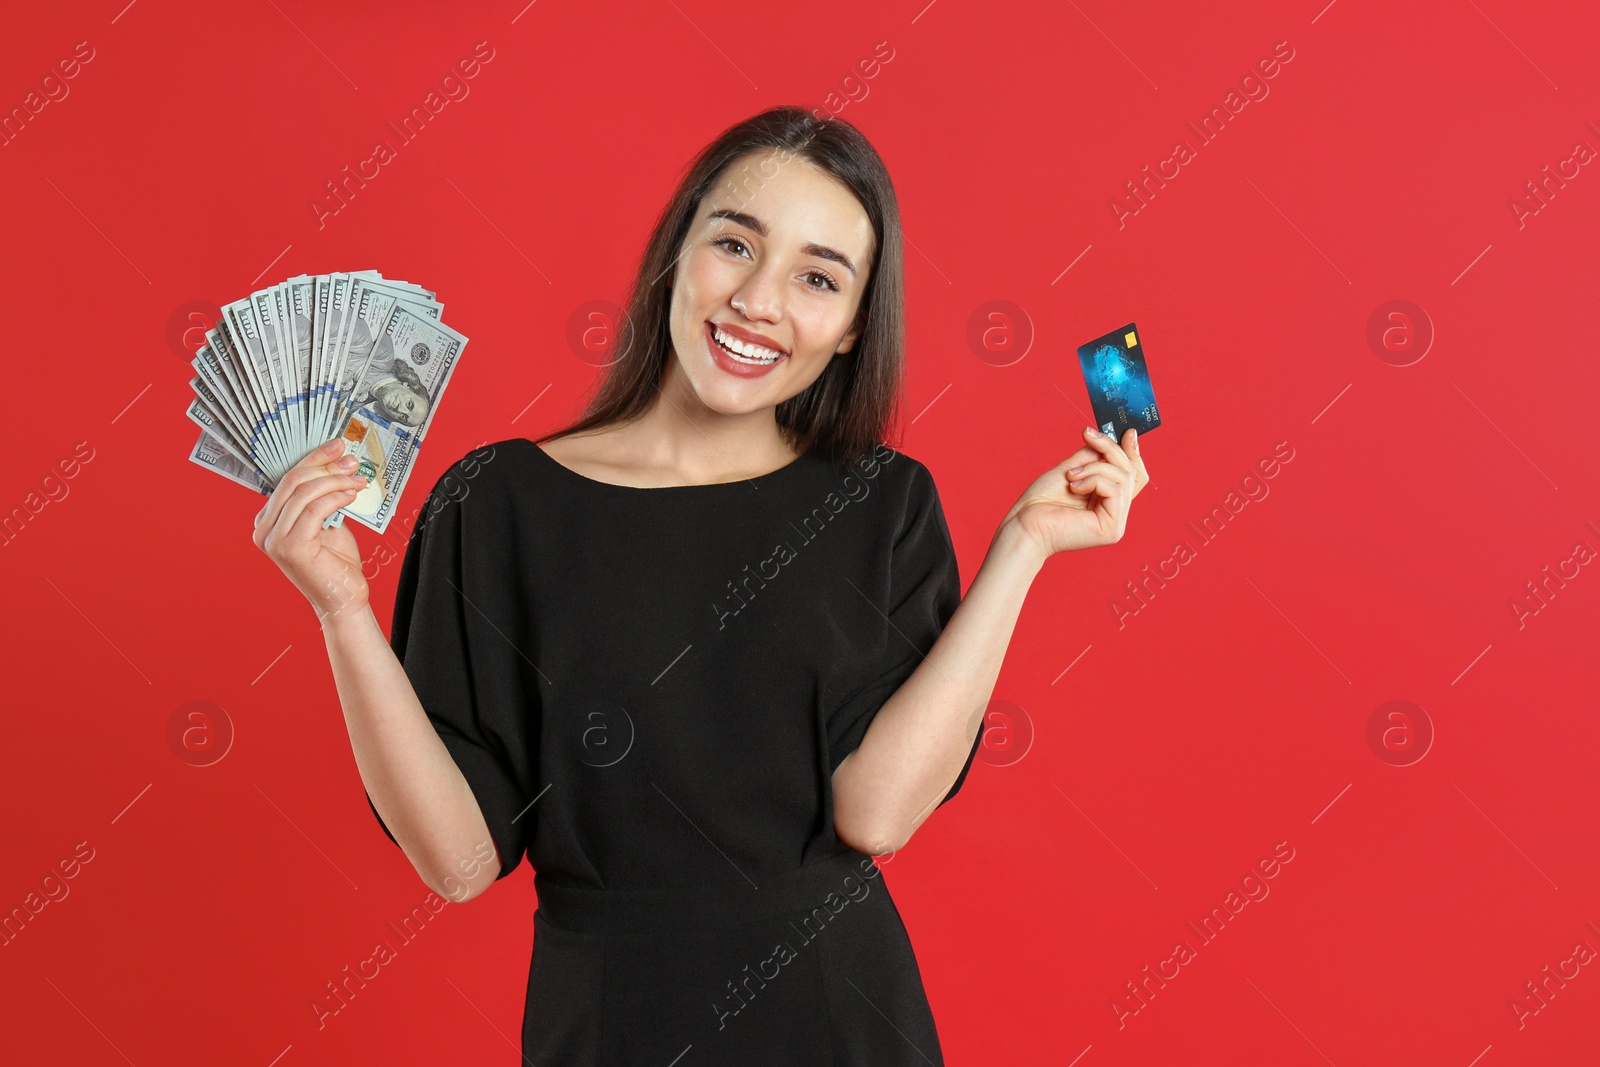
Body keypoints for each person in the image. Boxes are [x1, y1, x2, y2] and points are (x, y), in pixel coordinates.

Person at [252, 106, 1148, 1065]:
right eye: (734, 244)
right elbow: (461, 861)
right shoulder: (497, 500)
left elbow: (875, 814)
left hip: (842, 1018)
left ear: (851, 328)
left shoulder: (882, 501)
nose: (760, 301)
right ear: (676, 253)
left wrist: (1022, 545)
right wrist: (342, 610)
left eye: (816, 278)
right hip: (608, 1026)